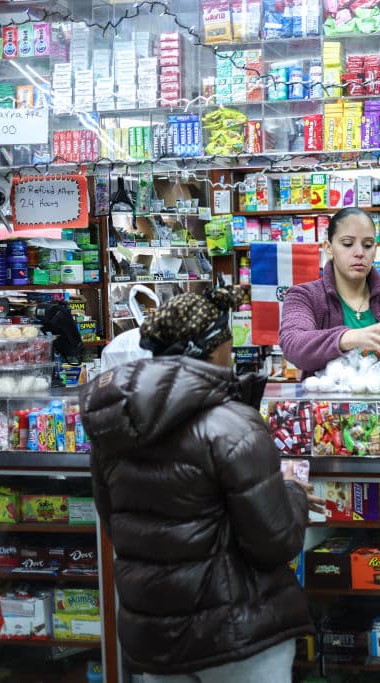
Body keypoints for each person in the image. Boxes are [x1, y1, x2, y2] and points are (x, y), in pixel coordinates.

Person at [79, 286, 321, 682]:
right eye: (228, 341)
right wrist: (291, 493)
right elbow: (275, 542)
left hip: (156, 637)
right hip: (236, 635)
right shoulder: (233, 425)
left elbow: (117, 527)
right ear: (213, 349)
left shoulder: (114, 427)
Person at [280, 206, 380, 375]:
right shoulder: (304, 296)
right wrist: (348, 338)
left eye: (368, 245)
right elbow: (293, 345)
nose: (359, 253)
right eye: (347, 244)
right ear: (329, 248)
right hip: (328, 401)